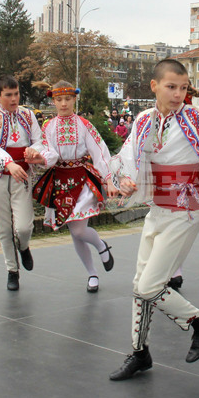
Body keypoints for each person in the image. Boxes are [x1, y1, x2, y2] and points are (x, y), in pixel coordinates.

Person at [108, 59, 199, 381]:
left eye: (183, 88)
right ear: (154, 86)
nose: (178, 94)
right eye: (172, 87)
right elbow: (128, 155)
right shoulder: (143, 120)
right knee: (140, 283)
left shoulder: (197, 116)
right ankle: (140, 352)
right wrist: (123, 179)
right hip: (158, 206)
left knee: (149, 286)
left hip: (187, 207)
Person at [31, 81, 117, 292]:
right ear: (53, 101)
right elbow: (49, 153)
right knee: (74, 231)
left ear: (74, 99)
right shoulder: (48, 127)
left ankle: (100, 246)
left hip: (81, 178)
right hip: (59, 180)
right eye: (59, 100)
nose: (63, 104)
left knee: (78, 230)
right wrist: (39, 158)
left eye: (67, 99)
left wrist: (108, 179)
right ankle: (92, 273)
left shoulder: (84, 124)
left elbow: (99, 151)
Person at [0, 76, 42, 291]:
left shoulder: (28, 115)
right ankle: (12, 270)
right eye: (8, 95)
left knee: (24, 226)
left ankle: (23, 246)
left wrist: (36, 150)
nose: (14, 98)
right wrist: (8, 163)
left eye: (16, 93)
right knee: (4, 227)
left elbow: (39, 140)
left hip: (22, 175)